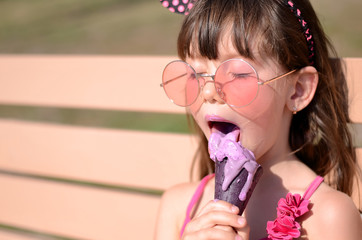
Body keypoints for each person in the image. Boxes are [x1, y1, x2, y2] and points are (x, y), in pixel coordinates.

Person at [155, 0, 362, 239]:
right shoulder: (176, 208)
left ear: (297, 91)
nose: (209, 91)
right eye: (196, 74)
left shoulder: (327, 216)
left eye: (238, 74)